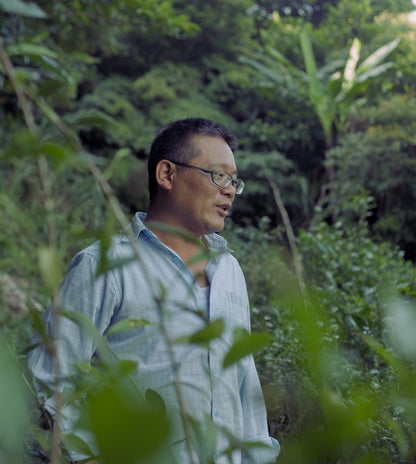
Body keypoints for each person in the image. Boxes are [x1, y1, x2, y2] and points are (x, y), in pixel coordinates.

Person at [28, 117, 280, 463]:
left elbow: (244, 381)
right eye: (219, 175)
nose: (229, 190)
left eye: (235, 181)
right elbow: (51, 380)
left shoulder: (229, 271)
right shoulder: (104, 264)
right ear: (167, 174)